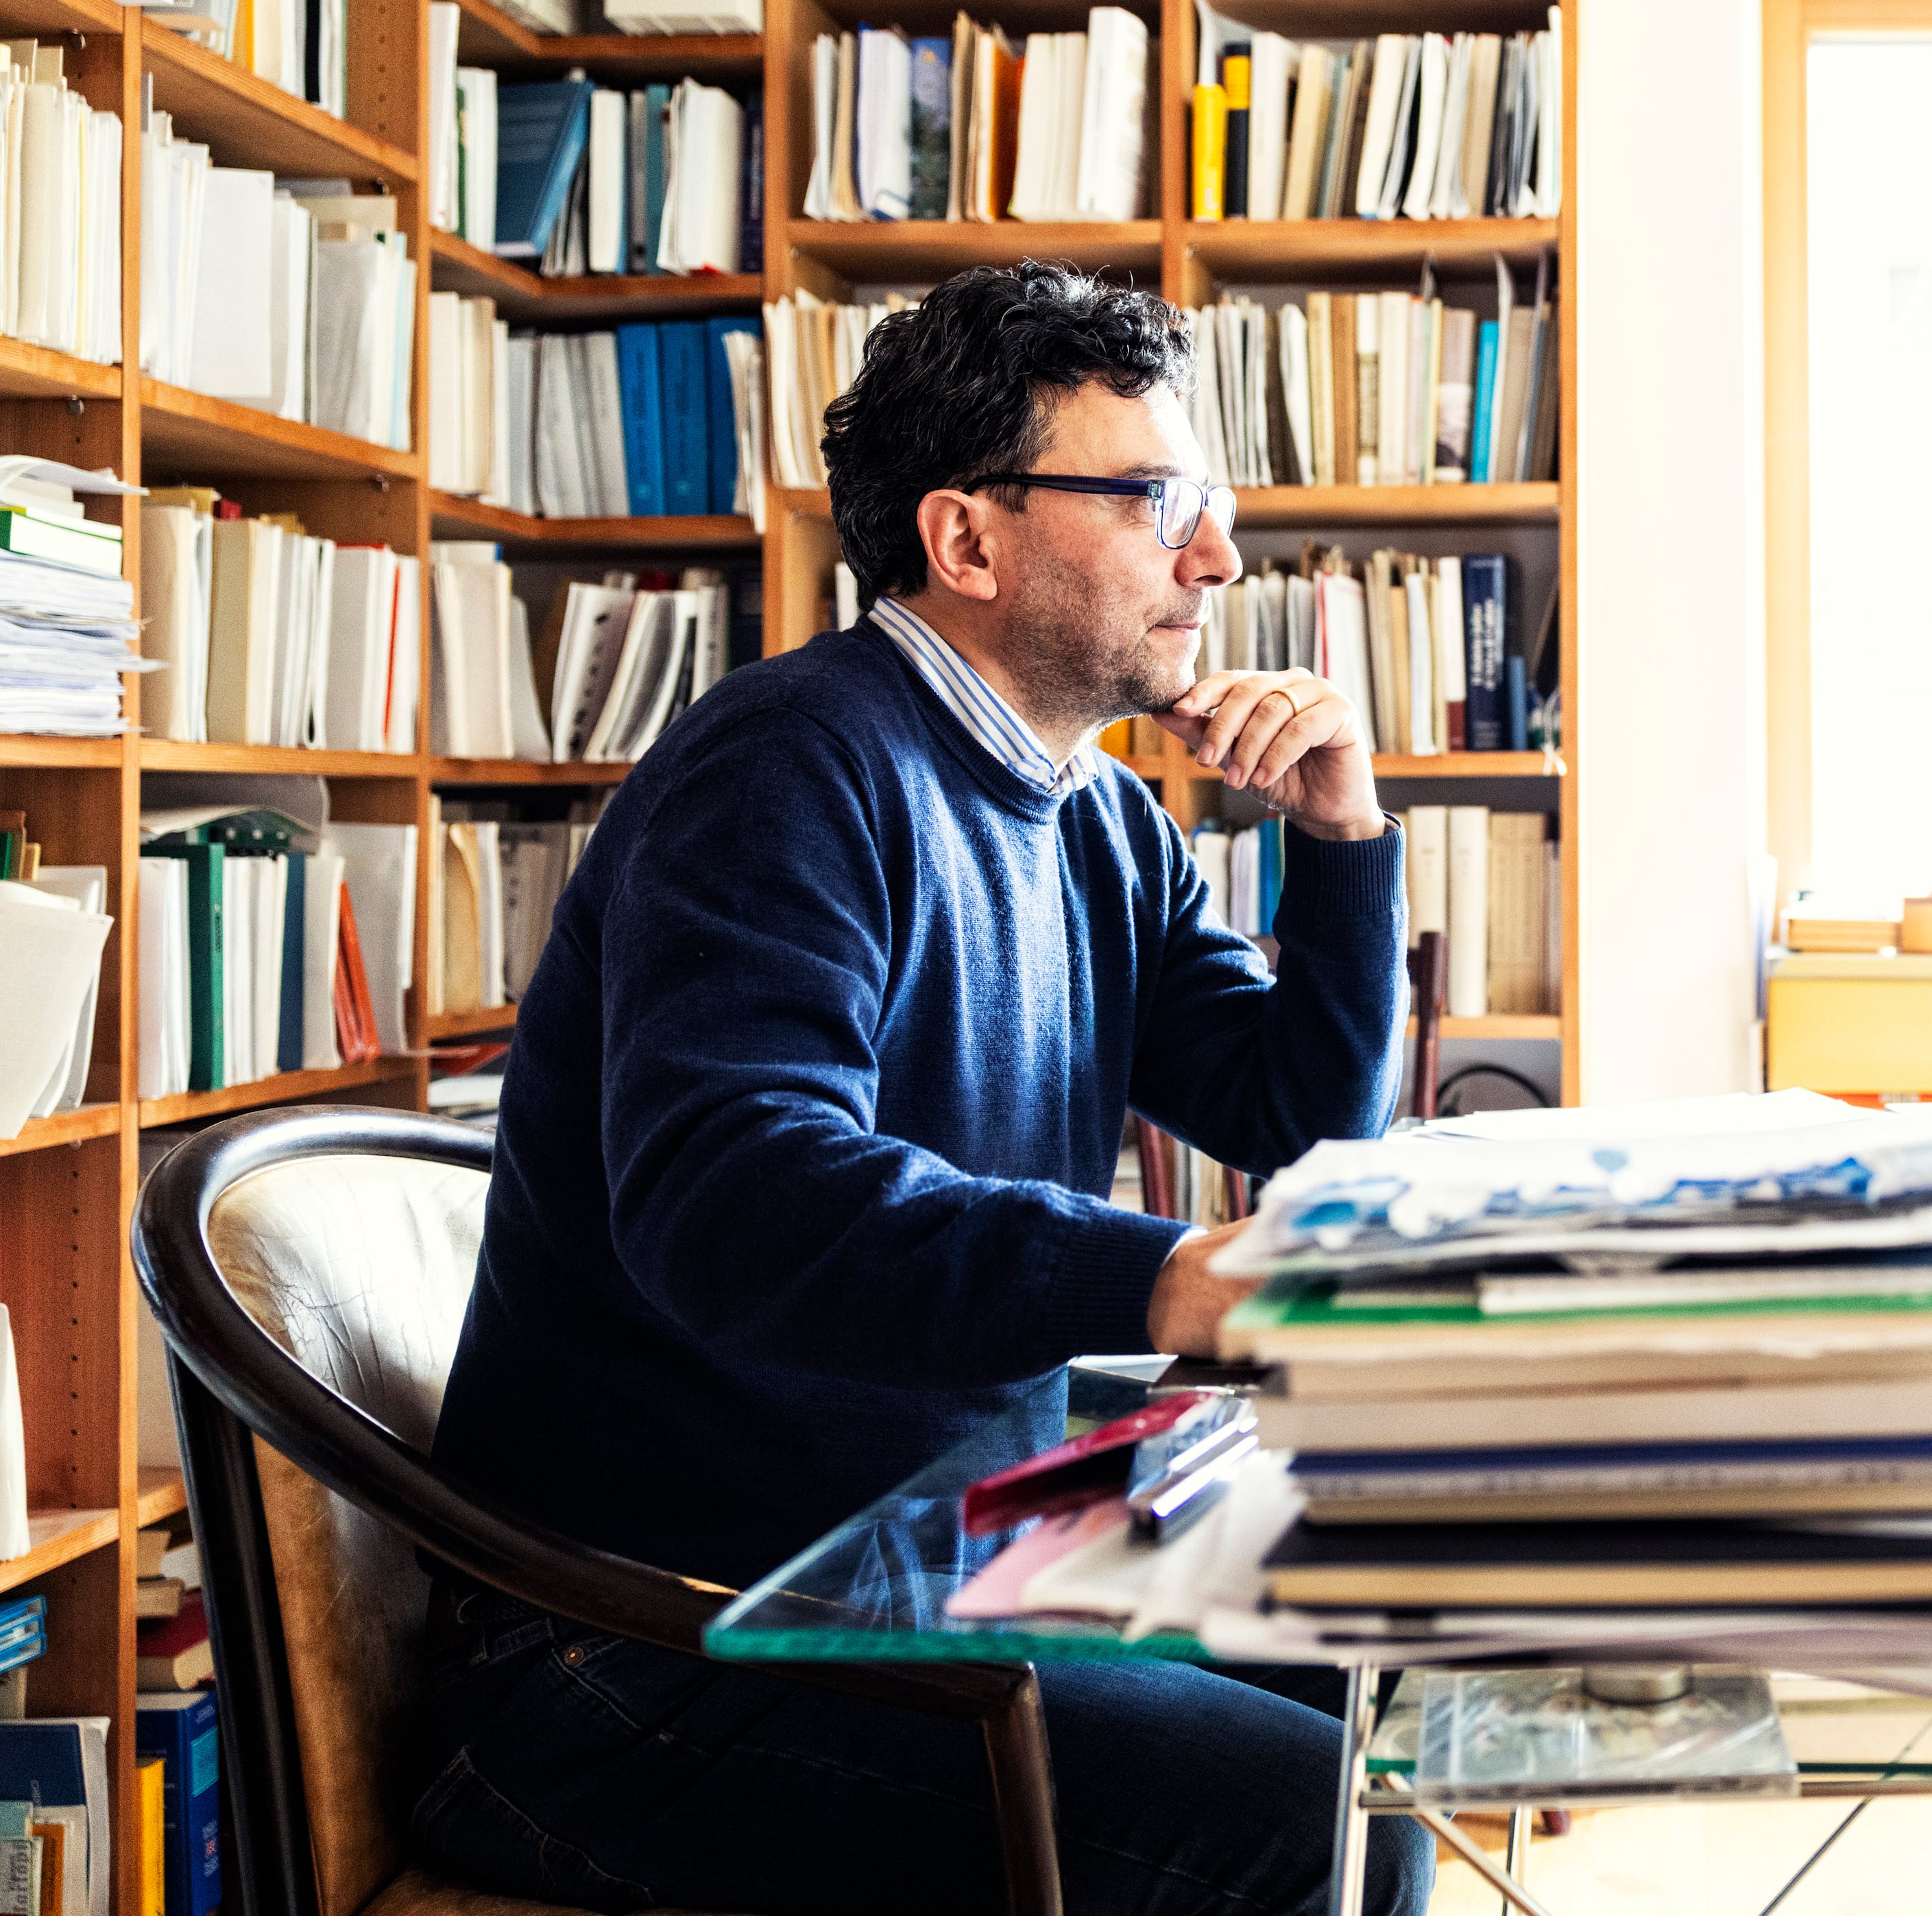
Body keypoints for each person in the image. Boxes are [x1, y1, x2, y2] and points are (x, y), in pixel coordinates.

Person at [418, 263, 1429, 1916]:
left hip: (953, 1567)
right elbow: (735, 1196)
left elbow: (1302, 1124)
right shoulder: (786, 766)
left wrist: (1341, 839)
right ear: (966, 542)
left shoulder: (1093, 819)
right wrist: (1161, 1273)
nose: (1217, 556)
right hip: (650, 1650)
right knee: (1321, 1821)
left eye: (1212, 501)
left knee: (1394, 1702)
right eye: (1155, 499)